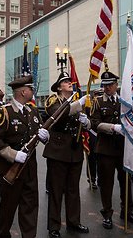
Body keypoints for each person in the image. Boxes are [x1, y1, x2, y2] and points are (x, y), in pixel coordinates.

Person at [0, 75, 49, 238]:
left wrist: (45, 136)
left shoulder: (33, 110)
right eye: (30, 89)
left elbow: (39, 132)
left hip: (29, 169)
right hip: (10, 170)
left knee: (30, 207)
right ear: (23, 92)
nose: (32, 91)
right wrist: (13, 155)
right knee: (8, 209)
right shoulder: (4, 112)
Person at [89, 71, 133, 230]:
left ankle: (127, 211)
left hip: (123, 148)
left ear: (116, 85)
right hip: (105, 149)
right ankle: (107, 214)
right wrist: (113, 127)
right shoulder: (97, 102)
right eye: (105, 85)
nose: (107, 88)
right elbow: (94, 123)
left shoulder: (124, 101)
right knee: (107, 184)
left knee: (126, 183)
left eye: (110, 85)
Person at [43, 72, 89, 238]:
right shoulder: (53, 100)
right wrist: (78, 105)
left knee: (73, 189)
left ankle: (73, 222)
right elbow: (59, 115)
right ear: (59, 87)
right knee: (56, 190)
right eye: (66, 81)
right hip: (58, 149)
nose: (70, 83)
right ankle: (54, 226)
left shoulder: (77, 101)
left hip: (74, 150)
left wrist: (86, 122)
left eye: (70, 81)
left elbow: (87, 122)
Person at [86, 88, 103, 190]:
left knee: (102, 159)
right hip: (92, 134)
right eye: (97, 95)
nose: (98, 97)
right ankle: (92, 179)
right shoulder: (89, 106)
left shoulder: (104, 105)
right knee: (91, 158)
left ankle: (101, 178)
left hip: (102, 134)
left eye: (100, 95)